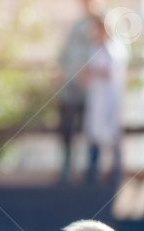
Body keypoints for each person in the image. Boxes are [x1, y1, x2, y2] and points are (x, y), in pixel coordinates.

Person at [81, 14, 127, 185]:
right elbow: (87, 72)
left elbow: (113, 73)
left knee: (113, 134)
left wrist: (94, 71)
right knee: (94, 134)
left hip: (110, 97)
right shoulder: (93, 49)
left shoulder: (116, 49)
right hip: (96, 97)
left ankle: (116, 172)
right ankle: (92, 172)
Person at [56, 0, 96, 184]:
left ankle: (91, 170)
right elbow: (63, 55)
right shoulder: (76, 26)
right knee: (66, 128)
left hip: (91, 91)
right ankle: (67, 167)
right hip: (70, 86)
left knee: (91, 129)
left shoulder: (102, 25)